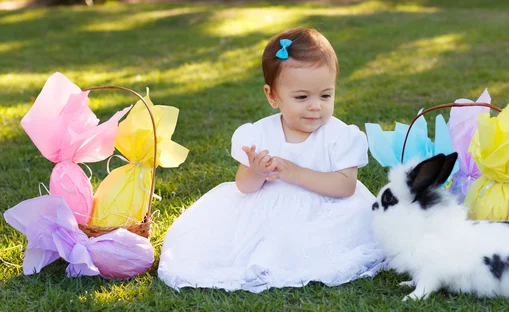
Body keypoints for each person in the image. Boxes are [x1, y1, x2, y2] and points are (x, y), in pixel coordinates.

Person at [158, 28, 385, 292]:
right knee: (241, 241)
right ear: (272, 96)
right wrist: (255, 171)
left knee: (308, 240)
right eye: (302, 97)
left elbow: (346, 187)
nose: (316, 106)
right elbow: (244, 186)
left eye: (326, 95)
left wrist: (296, 173)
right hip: (266, 207)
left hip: (324, 208)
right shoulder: (260, 134)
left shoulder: (339, 136)